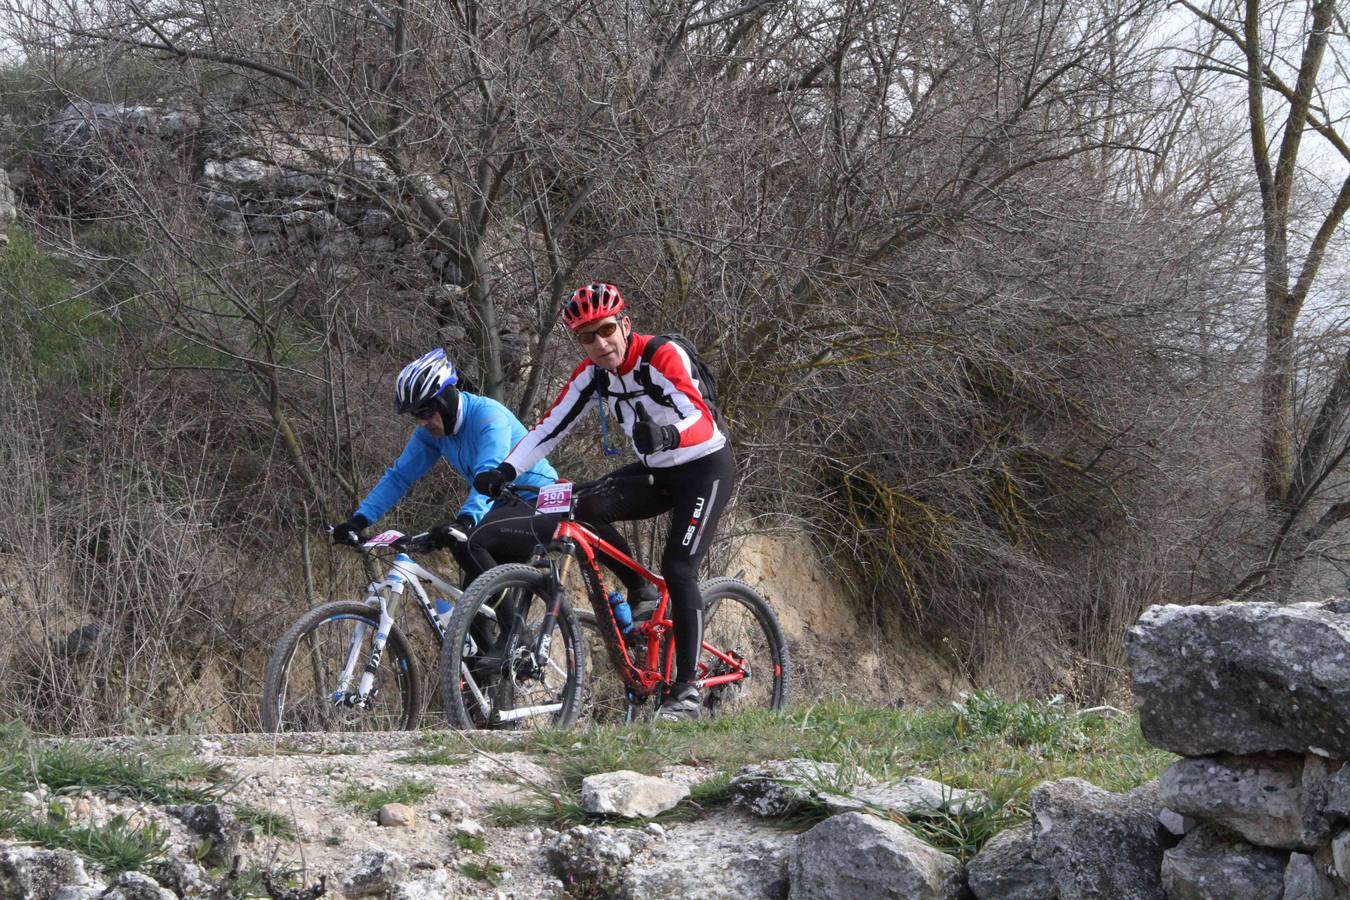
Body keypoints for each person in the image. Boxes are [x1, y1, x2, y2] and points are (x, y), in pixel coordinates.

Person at [474, 282, 735, 721]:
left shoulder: (662, 355)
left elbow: (704, 422)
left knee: (680, 567)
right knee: (585, 505)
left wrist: (669, 434)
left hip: (704, 467)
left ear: (624, 325)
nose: (599, 342)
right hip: (657, 470)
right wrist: (505, 471)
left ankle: (686, 690)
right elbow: (548, 429)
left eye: (605, 330)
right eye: (586, 336)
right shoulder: (592, 374)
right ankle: (641, 591)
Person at [331, 347, 656, 604]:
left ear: (446, 398)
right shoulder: (432, 433)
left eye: (425, 412)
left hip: (538, 499)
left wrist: (466, 519)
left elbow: (488, 472)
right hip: (502, 510)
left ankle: (518, 633)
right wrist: (359, 520)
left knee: (471, 540)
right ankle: (483, 669)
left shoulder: (488, 416)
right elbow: (399, 476)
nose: (421, 422)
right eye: (415, 415)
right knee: (471, 618)